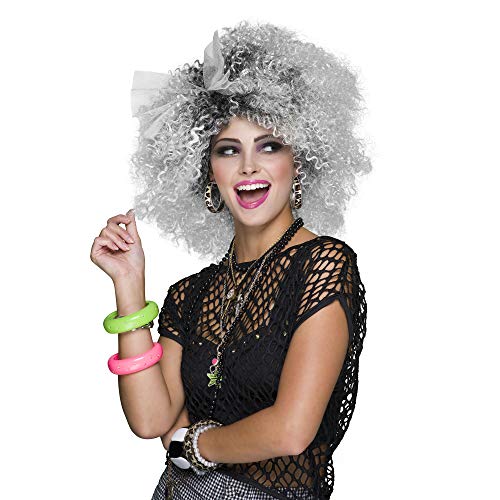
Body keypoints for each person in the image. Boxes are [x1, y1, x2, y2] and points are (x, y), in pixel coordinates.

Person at [90, 20, 371, 500]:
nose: (248, 167)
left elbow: (291, 430)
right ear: (207, 172)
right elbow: (151, 420)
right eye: (227, 150)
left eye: (269, 145)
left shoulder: (323, 266)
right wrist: (129, 287)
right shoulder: (191, 294)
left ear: (300, 161)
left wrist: (193, 444)